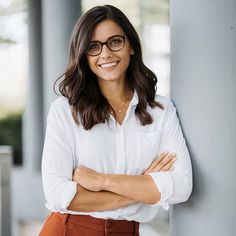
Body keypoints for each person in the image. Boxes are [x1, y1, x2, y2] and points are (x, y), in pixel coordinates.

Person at [39, 5, 192, 236]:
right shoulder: (65, 111)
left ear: (130, 45)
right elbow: (57, 194)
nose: (106, 54)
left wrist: (101, 181)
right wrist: (142, 186)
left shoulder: (161, 110)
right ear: (83, 54)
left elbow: (181, 186)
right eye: (93, 47)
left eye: (115, 42)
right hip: (68, 230)